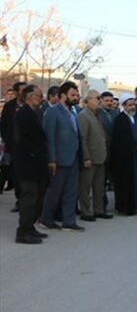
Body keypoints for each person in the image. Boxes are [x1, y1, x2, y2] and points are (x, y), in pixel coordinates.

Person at [38, 81, 84, 232]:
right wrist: (51, 159)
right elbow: (49, 137)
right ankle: (46, 219)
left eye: (77, 95)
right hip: (59, 159)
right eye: (73, 95)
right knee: (55, 191)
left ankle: (68, 221)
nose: (76, 97)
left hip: (74, 158)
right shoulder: (53, 112)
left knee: (72, 191)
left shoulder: (73, 112)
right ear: (62, 96)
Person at [14, 85, 49, 244]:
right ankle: (23, 231)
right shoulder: (22, 114)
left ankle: (30, 227)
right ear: (30, 96)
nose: (41, 98)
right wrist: (33, 154)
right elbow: (20, 140)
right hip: (27, 164)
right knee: (29, 197)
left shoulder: (35, 113)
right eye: (38, 95)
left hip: (37, 164)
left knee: (37, 197)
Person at [77, 90, 109, 222]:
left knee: (99, 186)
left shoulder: (97, 115)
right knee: (85, 186)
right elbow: (83, 138)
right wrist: (86, 157)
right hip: (90, 157)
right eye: (97, 98)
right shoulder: (83, 116)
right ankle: (86, 211)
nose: (99, 101)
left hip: (100, 156)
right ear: (87, 100)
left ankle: (98, 209)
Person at [1, 81, 27, 211]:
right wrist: (8, 141)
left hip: (28, 149)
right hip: (14, 148)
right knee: (16, 176)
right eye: (22, 90)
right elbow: (4, 126)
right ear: (17, 92)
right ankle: (19, 201)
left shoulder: (31, 106)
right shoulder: (9, 107)